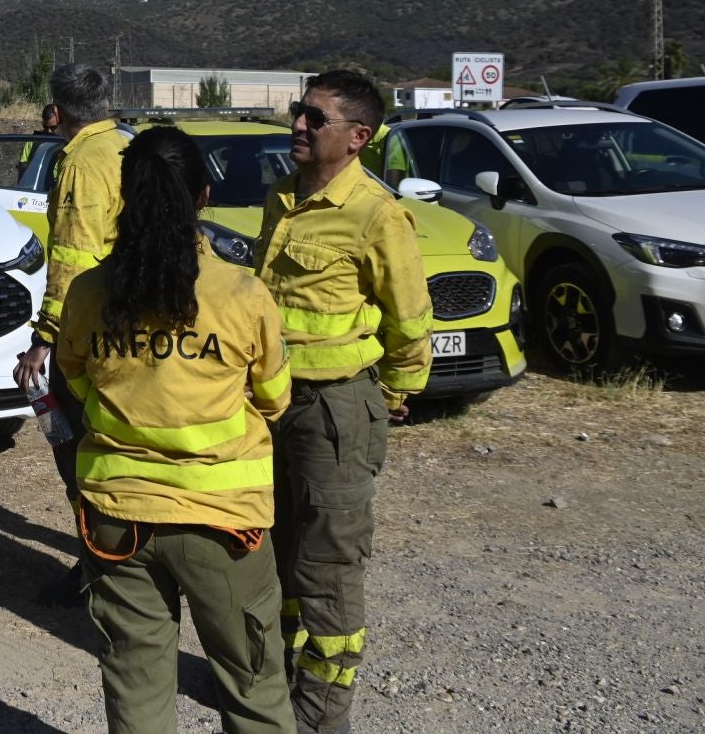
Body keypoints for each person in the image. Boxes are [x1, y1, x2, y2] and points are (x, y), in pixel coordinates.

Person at [58, 126, 294, 734]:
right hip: (220, 519)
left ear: (124, 199)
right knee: (252, 687)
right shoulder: (242, 293)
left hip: (118, 518)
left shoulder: (88, 292)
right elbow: (273, 399)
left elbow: (78, 385)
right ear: (203, 197)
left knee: (136, 687)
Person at [253, 70, 433, 734]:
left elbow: (411, 320)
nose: (298, 125)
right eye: (298, 112)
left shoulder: (377, 215)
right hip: (271, 406)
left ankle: (323, 715)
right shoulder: (282, 198)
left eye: (314, 118)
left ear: (357, 138)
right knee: (274, 552)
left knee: (327, 563)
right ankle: (273, 683)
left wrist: (392, 393)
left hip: (335, 411)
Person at [13, 64, 128, 501]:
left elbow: (72, 261)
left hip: (87, 326)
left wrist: (45, 339)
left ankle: (94, 556)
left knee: (77, 449)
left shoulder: (80, 165)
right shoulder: (125, 147)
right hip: (127, 318)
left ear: (56, 113)